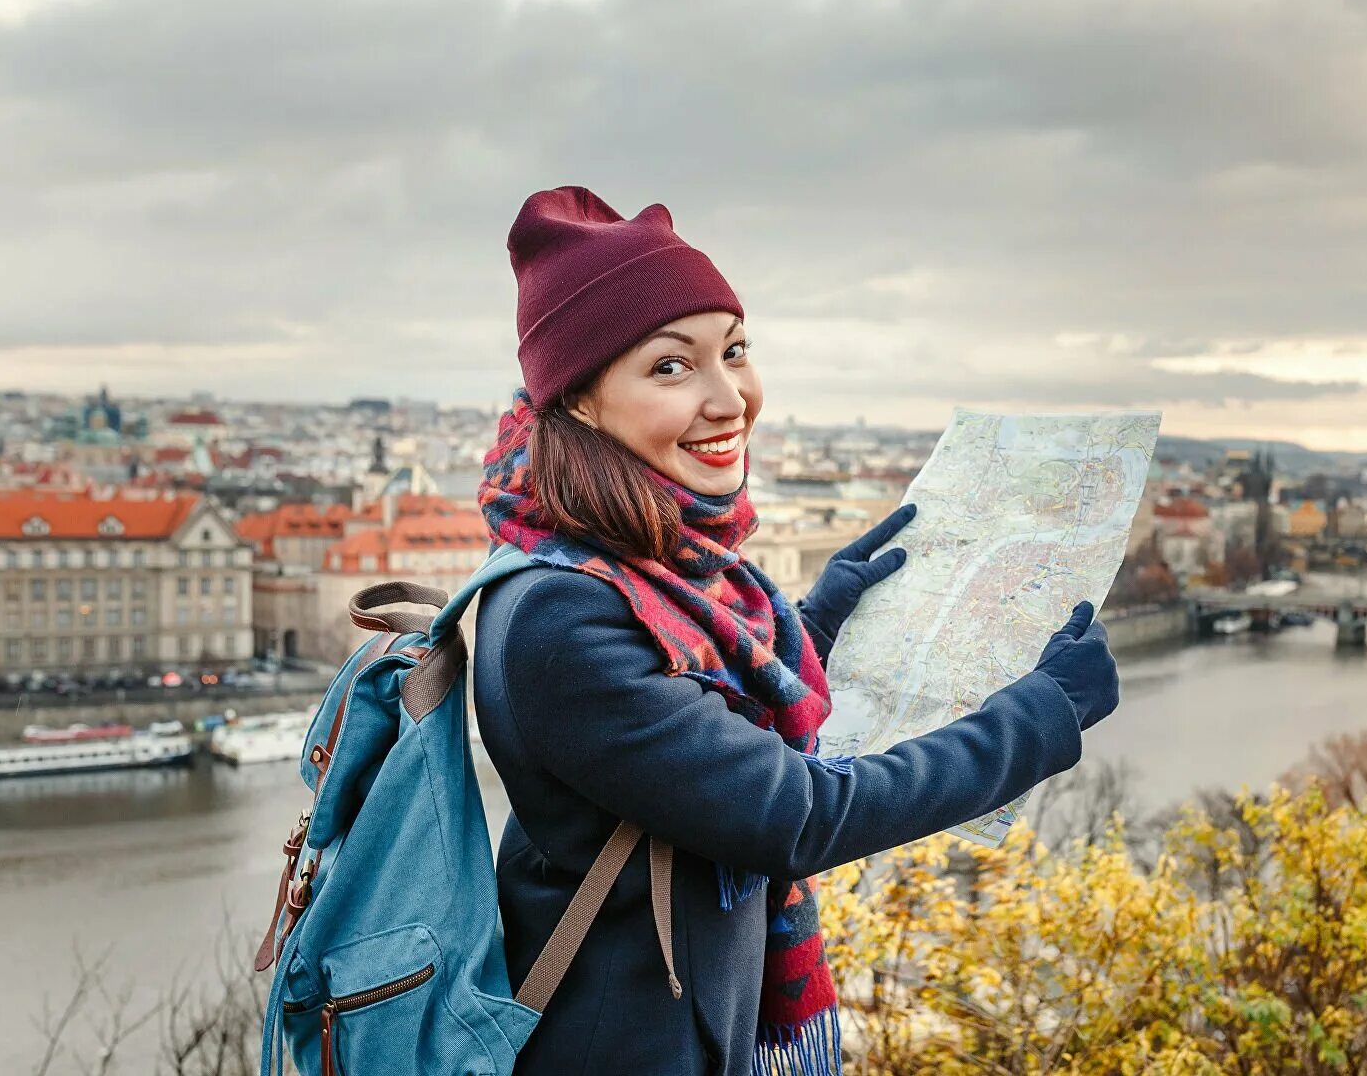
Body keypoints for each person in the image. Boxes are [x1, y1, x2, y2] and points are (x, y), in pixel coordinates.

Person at [471, 186, 1123, 1076]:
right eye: (671, 367)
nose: (728, 396)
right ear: (578, 402)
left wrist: (818, 616)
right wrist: (1039, 719)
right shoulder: (562, 614)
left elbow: (689, 725)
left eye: (734, 352)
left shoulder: (643, 560)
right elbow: (795, 815)